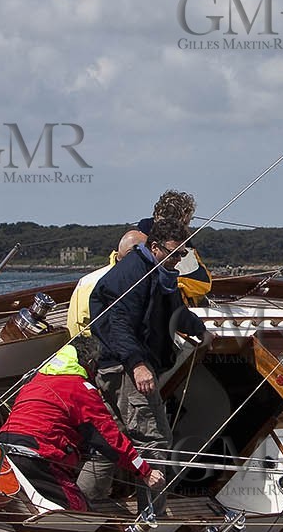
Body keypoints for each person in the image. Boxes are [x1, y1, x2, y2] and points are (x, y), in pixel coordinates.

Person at [81, 208, 206, 503]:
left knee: (113, 440)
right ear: (153, 247)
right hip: (125, 368)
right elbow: (117, 322)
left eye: (181, 255)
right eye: (173, 254)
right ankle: (150, 516)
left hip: (122, 365)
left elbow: (170, 310)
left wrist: (195, 326)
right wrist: (137, 363)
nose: (177, 260)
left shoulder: (160, 273)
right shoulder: (133, 274)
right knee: (155, 442)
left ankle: (86, 501)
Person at [0, 335, 166, 511]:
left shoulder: (36, 380)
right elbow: (110, 440)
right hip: (39, 459)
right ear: (91, 362)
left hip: (5, 449)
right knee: (80, 511)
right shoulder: (80, 389)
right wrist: (145, 471)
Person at [67, 228, 146, 337]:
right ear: (131, 255)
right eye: (148, 253)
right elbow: (79, 329)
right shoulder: (90, 283)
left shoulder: (150, 278)